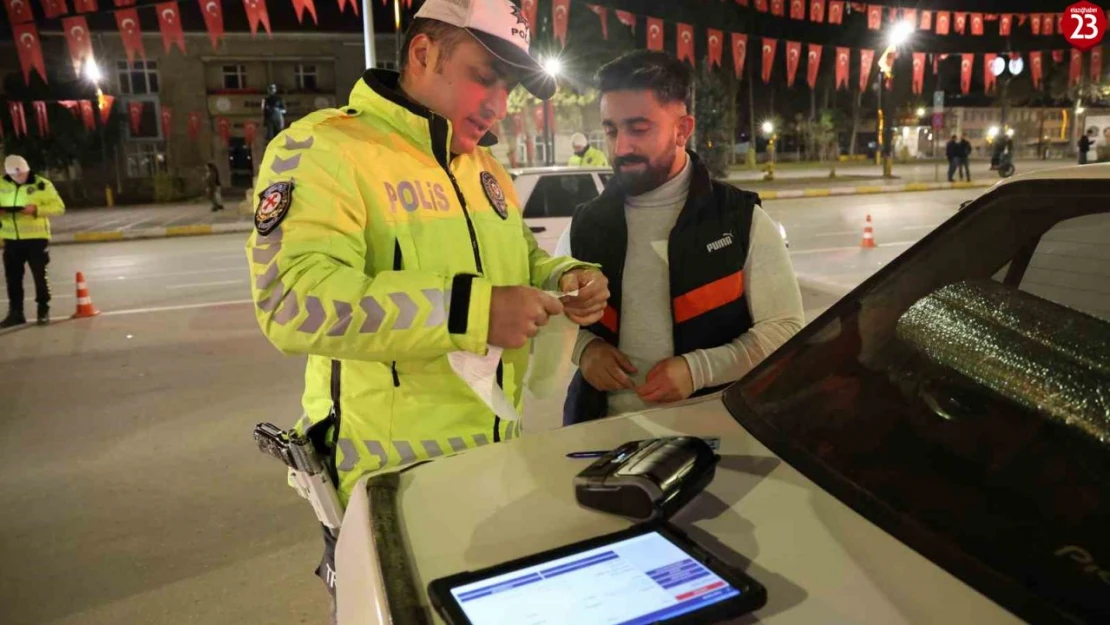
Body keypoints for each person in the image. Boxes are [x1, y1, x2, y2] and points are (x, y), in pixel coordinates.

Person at [244, 0, 609, 602]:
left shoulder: (484, 167)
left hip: (493, 469)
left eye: (509, 87)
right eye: (483, 77)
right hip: (387, 492)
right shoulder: (324, 149)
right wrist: (474, 311)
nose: (498, 104)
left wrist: (569, 275)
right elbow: (291, 299)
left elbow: (522, 259)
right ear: (422, 53)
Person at [555, 51, 804, 425]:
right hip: (598, 433)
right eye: (611, 130)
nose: (621, 147)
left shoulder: (740, 220)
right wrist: (585, 351)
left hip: (719, 432)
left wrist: (698, 370)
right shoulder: (584, 226)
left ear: (682, 129)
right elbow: (553, 317)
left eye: (639, 129)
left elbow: (785, 329)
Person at [1, 155, 65, 328]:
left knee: (39, 276)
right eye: (15, 176)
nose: (19, 178)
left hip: (36, 240)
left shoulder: (41, 185)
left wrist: (36, 209)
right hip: (11, 240)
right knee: (12, 279)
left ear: (27, 169)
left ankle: (43, 309)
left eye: (22, 174)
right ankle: (16, 313)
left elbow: (59, 207)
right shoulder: (1, 184)